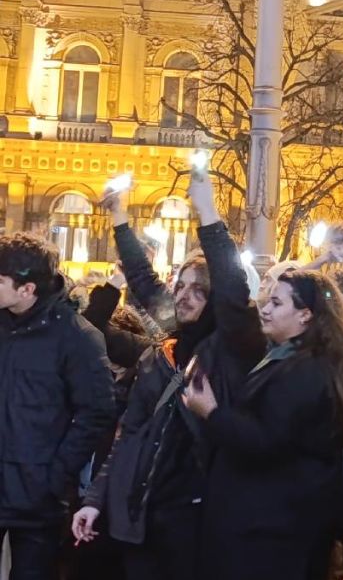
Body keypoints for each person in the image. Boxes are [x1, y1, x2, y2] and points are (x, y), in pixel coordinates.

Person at [72, 173, 267, 580]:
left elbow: (232, 288)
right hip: (145, 515)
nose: (182, 295)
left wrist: (207, 211)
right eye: (181, 286)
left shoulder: (233, 347)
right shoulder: (163, 353)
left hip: (196, 518)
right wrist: (120, 218)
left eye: (199, 289)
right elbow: (130, 436)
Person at [184, 261, 343, 580]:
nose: (264, 310)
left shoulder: (305, 372)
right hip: (262, 527)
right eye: (267, 301)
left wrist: (211, 412)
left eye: (276, 303)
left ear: (305, 314)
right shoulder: (290, 360)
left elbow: (266, 441)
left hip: (267, 535)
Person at [0, 233, 114, 579]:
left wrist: (56, 473)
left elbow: (97, 411)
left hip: (37, 495)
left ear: (27, 289)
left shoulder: (77, 337)